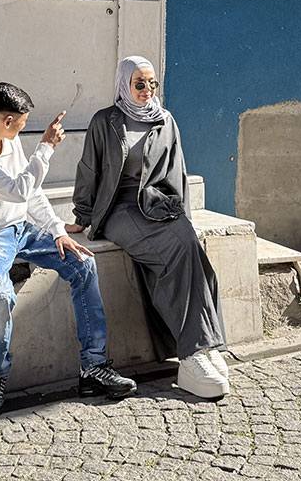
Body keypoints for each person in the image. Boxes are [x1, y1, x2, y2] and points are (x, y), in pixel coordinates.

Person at [0, 82, 137, 416]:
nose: (24, 128)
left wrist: (57, 230)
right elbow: (18, 190)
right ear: (7, 120)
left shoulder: (10, 142)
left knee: (83, 263)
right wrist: (46, 148)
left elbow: (32, 194)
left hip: (21, 229)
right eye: (22, 122)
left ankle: (93, 367)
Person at [68, 57, 231, 399]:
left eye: (152, 83)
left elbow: (177, 171)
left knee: (192, 249)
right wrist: (83, 216)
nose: (147, 90)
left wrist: (182, 216)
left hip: (157, 204)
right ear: (124, 84)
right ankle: (194, 353)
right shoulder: (106, 121)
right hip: (119, 208)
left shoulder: (165, 120)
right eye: (139, 84)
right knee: (174, 256)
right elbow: (89, 170)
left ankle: (206, 346)